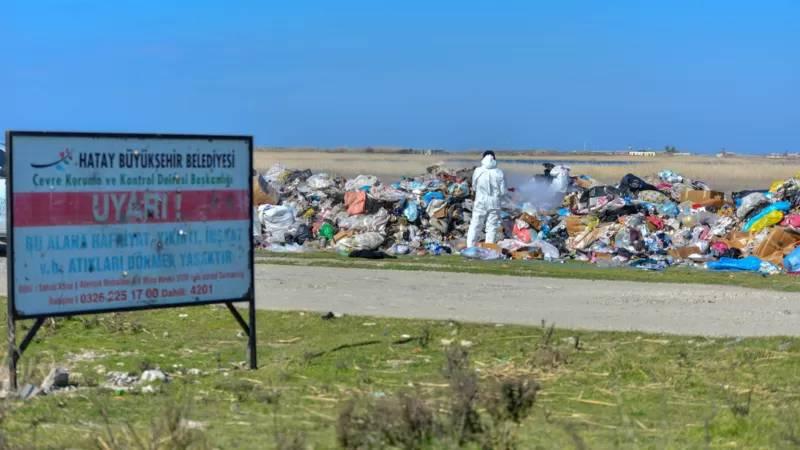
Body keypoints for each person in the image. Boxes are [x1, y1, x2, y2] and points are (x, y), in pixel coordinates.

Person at [467, 151, 506, 248]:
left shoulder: (478, 171)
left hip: (480, 201)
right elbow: (503, 191)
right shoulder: (499, 172)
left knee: (475, 225)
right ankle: (489, 249)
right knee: (491, 226)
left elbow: (474, 187)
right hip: (494, 202)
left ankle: (470, 247)